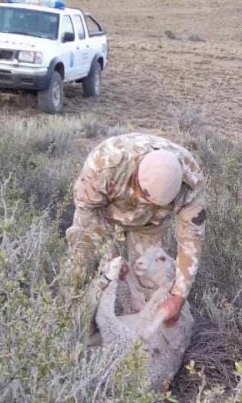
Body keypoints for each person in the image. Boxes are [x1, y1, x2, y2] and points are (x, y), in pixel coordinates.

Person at [66, 133, 206, 332]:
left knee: (146, 279)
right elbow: (87, 213)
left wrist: (179, 296)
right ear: (137, 180)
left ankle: (133, 339)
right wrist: (110, 257)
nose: (148, 204)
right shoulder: (104, 165)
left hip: (150, 223)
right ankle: (74, 325)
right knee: (82, 265)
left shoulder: (191, 180)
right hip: (102, 213)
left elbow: (191, 240)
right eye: (146, 199)